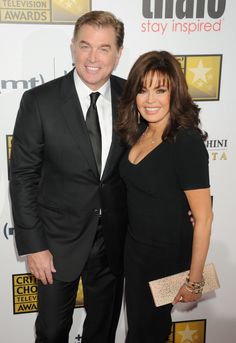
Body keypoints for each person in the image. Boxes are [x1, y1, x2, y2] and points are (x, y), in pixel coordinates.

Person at [10, 11, 128, 343]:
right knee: (50, 332)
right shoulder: (39, 101)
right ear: (72, 46)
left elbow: (149, 165)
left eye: (104, 48)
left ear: (118, 54)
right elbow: (22, 177)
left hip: (114, 242)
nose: (93, 58)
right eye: (85, 46)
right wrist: (34, 246)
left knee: (102, 332)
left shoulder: (133, 98)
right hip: (56, 243)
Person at [117, 50, 213, 343]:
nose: (150, 99)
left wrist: (194, 281)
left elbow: (204, 217)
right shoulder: (140, 132)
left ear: (175, 93)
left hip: (165, 259)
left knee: (149, 334)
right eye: (142, 90)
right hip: (136, 254)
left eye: (160, 90)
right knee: (139, 332)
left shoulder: (185, 141)